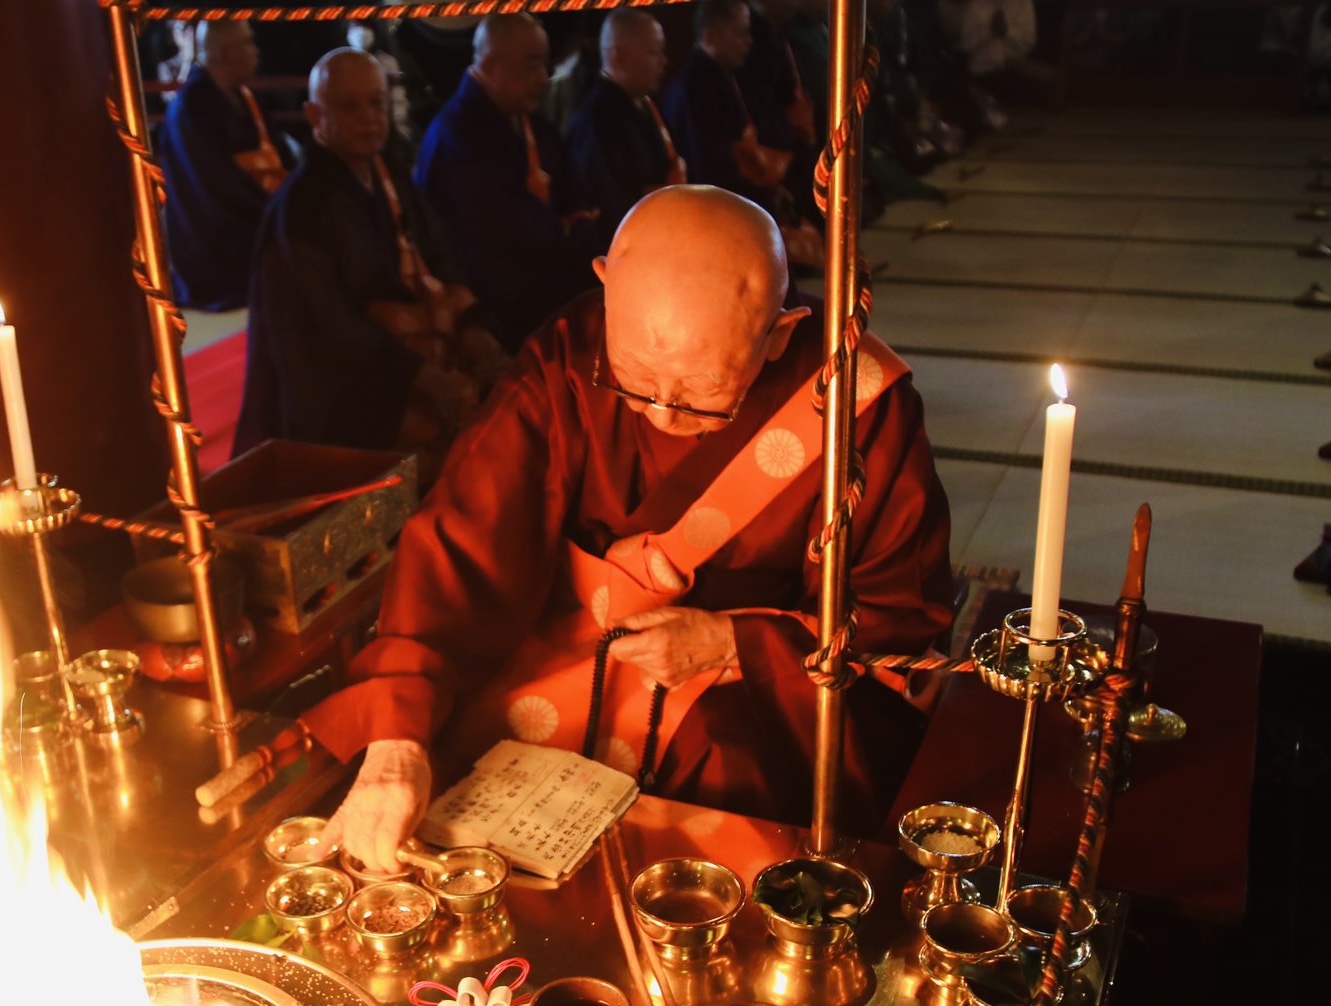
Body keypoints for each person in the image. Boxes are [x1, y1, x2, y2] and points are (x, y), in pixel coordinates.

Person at [305, 187, 954, 873]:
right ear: (605, 287)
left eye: (704, 388)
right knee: (456, 783)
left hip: (752, 689)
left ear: (780, 334)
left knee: (735, 787)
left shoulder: (853, 402)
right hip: (570, 652)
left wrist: (731, 643)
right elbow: (462, 540)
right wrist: (396, 741)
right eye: (637, 378)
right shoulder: (567, 359)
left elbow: (898, 621)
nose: (664, 412)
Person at [237, 49, 507, 469]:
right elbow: (326, 328)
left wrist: (472, 324)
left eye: (377, 103)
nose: (369, 117)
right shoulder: (302, 209)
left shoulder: (388, 173)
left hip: (414, 359)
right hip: (355, 395)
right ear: (313, 115)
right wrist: (418, 375)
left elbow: (439, 252)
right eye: (349, 106)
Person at [414, 14, 597, 350]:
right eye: (531, 66)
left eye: (545, 64)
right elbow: (504, 242)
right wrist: (563, 231)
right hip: (501, 320)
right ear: (491, 65)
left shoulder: (528, 121)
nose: (544, 78)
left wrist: (575, 226)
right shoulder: (457, 138)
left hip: (547, 301)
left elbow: (579, 200)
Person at [662, 0, 822, 264]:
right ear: (711, 34)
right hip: (709, 208)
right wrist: (760, 196)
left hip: (737, 192)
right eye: (739, 32)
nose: (748, 41)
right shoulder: (697, 86)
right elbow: (710, 170)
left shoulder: (720, 75)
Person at [156, 20, 291, 312]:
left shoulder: (246, 97)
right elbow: (215, 187)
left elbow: (282, 156)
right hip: (221, 235)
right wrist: (275, 212)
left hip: (263, 209)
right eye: (248, 42)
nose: (256, 50)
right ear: (221, 54)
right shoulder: (190, 110)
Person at [564, 10, 684, 254]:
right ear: (618, 58)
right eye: (654, 51)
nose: (664, 61)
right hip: (630, 252)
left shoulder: (643, 104)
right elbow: (615, 208)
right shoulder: (596, 122)